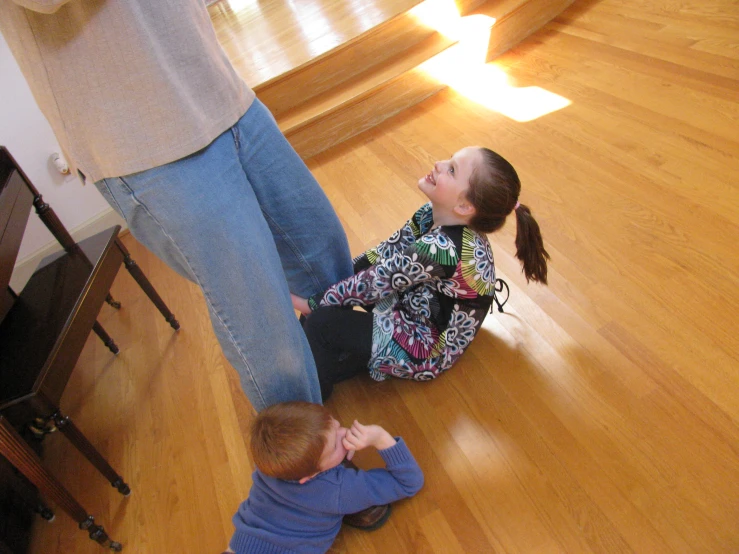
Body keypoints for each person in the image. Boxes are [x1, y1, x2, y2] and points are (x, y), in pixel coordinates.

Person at [0, 0, 353, 411]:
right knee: (259, 314)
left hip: (215, 85)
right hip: (139, 140)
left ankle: (342, 351)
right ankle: (307, 461)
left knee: (318, 243)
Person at [292, 146, 549, 400]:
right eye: (449, 158)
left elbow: (378, 281)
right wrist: (336, 280)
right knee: (338, 287)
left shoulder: (443, 249)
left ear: (463, 206)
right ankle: (316, 352)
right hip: (415, 303)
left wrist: (310, 302)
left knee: (322, 322)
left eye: (451, 170)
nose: (438, 163)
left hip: (427, 347)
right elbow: (386, 254)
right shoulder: (431, 213)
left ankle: (314, 392)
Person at [222, 401, 424, 554]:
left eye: (336, 426)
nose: (344, 433)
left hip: (241, 544)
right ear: (309, 477)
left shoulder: (269, 465)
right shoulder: (338, 488)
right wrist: (381, 438)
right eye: (335, 445)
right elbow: (409, 482)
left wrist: (336, 451)